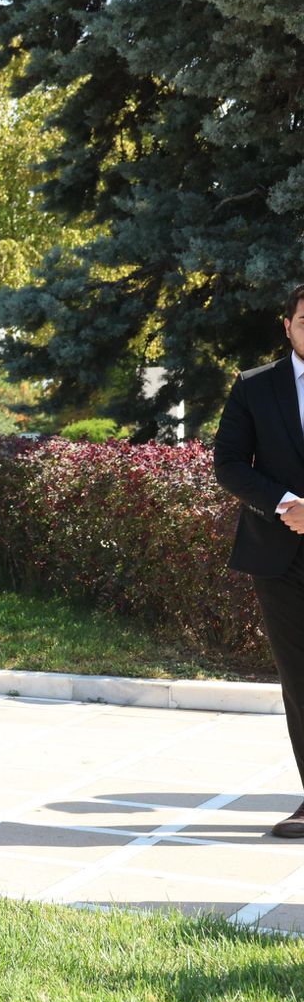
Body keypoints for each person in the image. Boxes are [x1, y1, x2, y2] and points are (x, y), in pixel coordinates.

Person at [213, 281, 304, 837]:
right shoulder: (254, 386)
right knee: (299, 679)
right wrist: (287, 503)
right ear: (287, 324)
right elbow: (228, 463)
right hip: (280, 556)